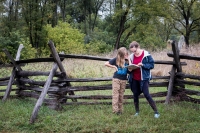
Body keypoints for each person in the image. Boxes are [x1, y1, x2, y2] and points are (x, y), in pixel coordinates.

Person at [128, 41, 160, 118]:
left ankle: (156, 112)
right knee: (135, 94)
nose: (134, 53)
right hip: (134, 78)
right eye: (132, 51)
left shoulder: (146, 54)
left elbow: (151, 65)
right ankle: (137, 112)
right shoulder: (131, 56)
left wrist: (143, 65)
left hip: (144, 78)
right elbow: (129, 66)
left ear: (138, 47)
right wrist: (130, 66)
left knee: (146, 94)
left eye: (135, 51)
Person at [105, 47, 129, 115]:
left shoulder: (127, 61)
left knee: (121, 95)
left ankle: (120, 110)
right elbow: (106, 63)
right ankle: (115, 111)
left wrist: (129, 59)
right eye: (124, 54)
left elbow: (130, 69)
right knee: (116, 95)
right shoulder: (116, 59)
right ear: (121, 54)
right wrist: (114, 67)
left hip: (124, 80)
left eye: (126, 54)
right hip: (116, 79)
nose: (126, 55)